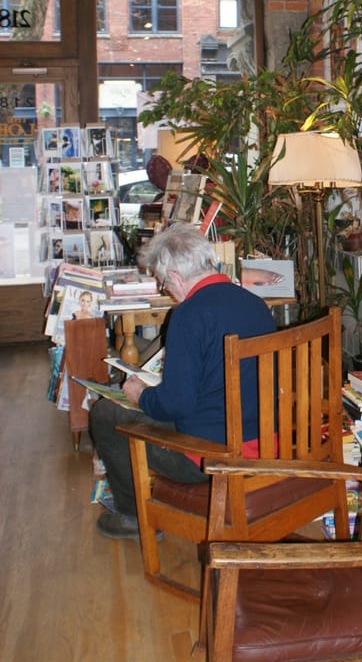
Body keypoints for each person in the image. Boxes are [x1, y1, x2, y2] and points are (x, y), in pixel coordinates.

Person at [91, 222, 276, 539]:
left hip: (208, 457)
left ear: (175, 277)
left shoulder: (188, 315)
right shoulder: (255, 303)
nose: (168, 292)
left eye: (164, 284)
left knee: (105, 414)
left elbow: (175, 405)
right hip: (266, 443)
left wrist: (140, 395)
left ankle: (133, 515)